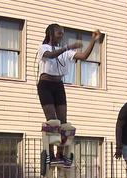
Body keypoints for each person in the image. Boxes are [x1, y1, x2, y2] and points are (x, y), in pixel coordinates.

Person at [36, 23, 102, 165]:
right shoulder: (43, 48)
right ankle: (50, 154)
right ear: (50, 34)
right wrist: (68, 47)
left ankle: (60, 154)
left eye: (62, 33)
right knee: (52, 121)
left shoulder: (65, 51)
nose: (61, 36)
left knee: (64, 123)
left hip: (58, 85)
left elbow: (83, 56)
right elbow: (50, 56)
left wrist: (92, 41)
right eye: (59, 33)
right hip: (45, 85)